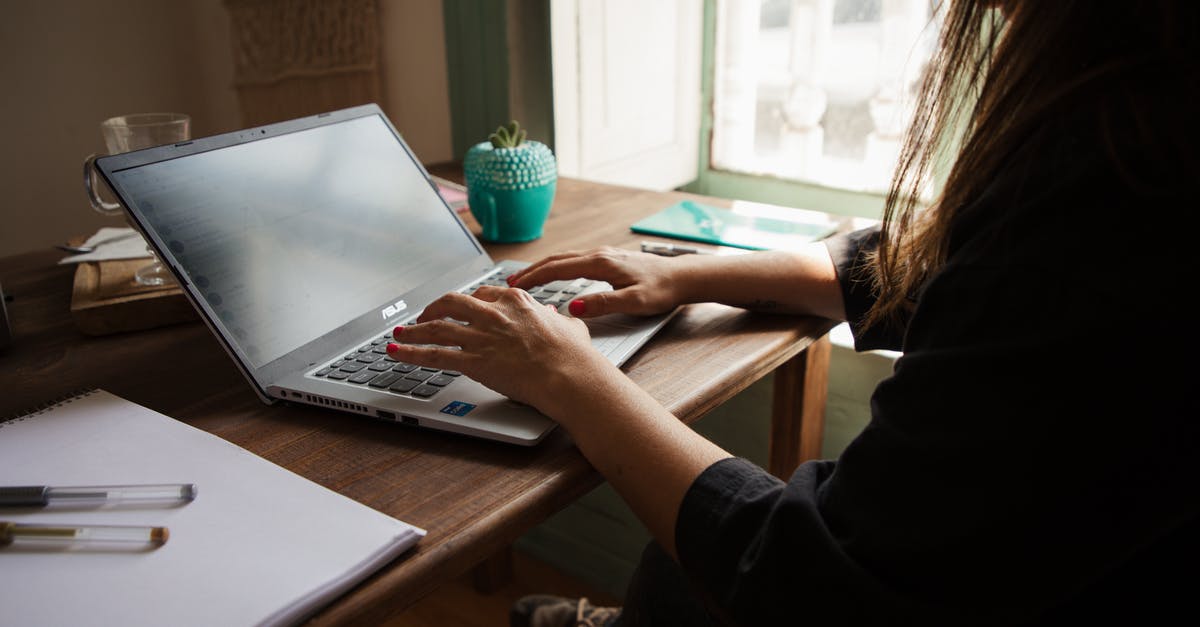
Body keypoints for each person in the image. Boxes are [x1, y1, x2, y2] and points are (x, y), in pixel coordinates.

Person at [387, 1, 1198, 624]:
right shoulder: (1128, 117)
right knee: (688, 557)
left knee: (695, 552)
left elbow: (804, 577)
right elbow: (944, 271)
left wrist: (568, 374)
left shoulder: (1117, 154)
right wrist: (689, 275)